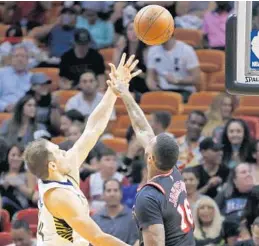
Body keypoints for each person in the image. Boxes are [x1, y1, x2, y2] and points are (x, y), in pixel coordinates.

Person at [23, 54, 140, 246]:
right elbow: (98, 238)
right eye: (58, 151)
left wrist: (113, 90)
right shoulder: (58, 197)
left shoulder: (63, 168)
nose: (64, 151)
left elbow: (92, 129)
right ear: (52, 165)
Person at [107, 61, 195, 245]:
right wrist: (125, 94)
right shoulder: (174, 172)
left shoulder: (149, 197)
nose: (148, 139)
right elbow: (143, 129)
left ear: (150, 158)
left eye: (150, 144)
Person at [92, 179, 138, 245]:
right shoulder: (95, 219)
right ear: (103, 194)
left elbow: (135, 242)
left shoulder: (132, 217)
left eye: (115, 190)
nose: (112, 194)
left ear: (121, 193)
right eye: (108, 190)